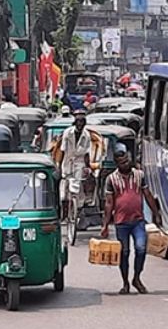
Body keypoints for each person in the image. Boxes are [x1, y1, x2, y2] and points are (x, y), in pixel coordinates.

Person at [101, 147, 161, 295]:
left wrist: (156, 213)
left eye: (127, 160)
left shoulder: (139, 175)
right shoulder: (111, 179)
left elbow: (147, 195)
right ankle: (125, 282)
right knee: (124, 252)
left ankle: (137, 278)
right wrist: (105, 225)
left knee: (141, 249)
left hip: (138, 220)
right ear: (117, 164)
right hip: (121, 222)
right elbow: (109, 203)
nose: (126, 164)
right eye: (122, 162)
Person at [59, 112, 93, 214]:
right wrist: (58, 166)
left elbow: (87, 153)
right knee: (65, 186)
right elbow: (62, 150)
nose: (80, 124)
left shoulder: (86, 135)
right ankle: (64, 211)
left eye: (82, 122)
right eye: (78, 122)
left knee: (77, 184)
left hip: (79, 161)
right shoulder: (67, 133)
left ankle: (77, 209)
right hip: (67, 161)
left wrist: (88, 167)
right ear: (75, 123)